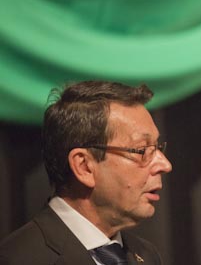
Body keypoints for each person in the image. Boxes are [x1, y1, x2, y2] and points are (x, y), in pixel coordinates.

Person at [0, 81, 173, 265]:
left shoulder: (147, 255)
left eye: (157, 147)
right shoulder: (17, 259)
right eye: (142, 150)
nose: (165, 165)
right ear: (84, 166)